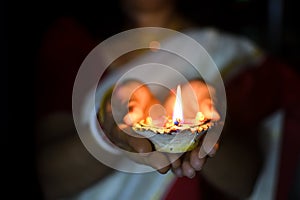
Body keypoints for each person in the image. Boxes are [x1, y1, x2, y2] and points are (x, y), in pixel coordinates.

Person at [35, 0, 300, 199]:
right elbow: (48, 181)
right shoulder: (71, 47)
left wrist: (214, 132)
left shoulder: (231, 55)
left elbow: (248, 181)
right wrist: (106, 130)